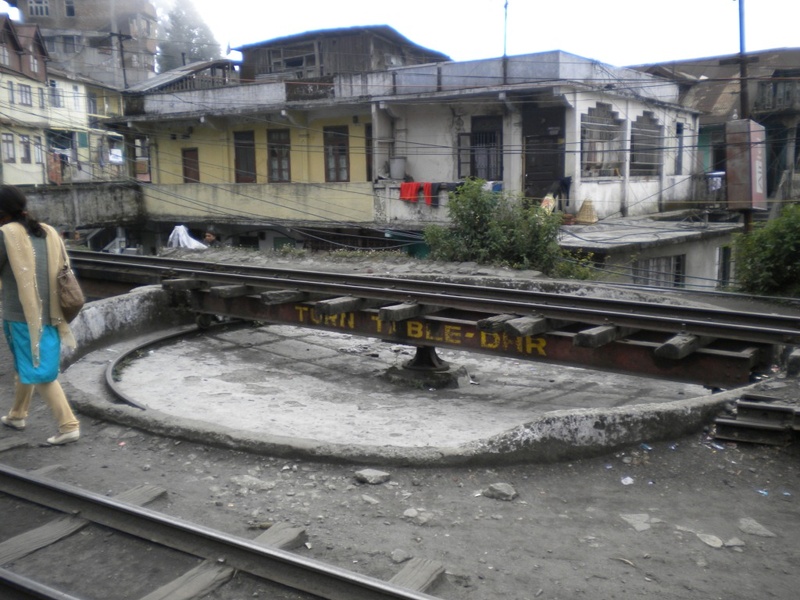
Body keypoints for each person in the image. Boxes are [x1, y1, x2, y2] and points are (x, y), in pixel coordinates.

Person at [0, 185, 80, 445]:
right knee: (27, 362)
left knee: (39, 370)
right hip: (52, 312)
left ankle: (68, 425)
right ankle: (17, 415)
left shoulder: (6, 234)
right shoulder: (47, 231)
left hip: (20, 315)